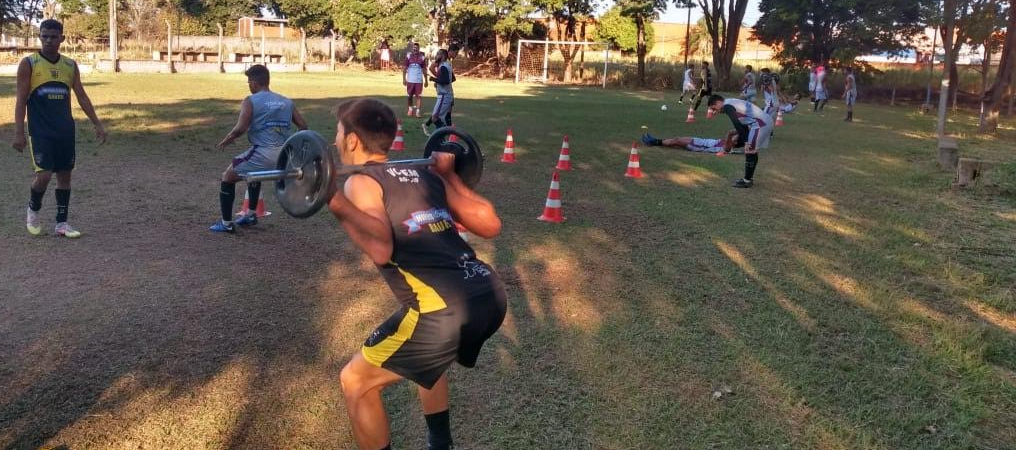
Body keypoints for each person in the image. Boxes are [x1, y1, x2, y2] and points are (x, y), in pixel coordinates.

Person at [329, 98, 506, 450]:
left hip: (441, 311)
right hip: (487, 292)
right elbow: (491, 223)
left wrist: (331, 199)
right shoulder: (423, 175)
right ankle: (441, 445)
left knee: (355, 381)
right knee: (426, 356)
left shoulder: (361, 183)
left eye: (337, 132)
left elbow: (380, 248)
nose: (334, 140)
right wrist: (449, 177)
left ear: (351, 140)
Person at [13, 19, 106, 238]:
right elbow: (20, 100)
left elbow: (81, 95)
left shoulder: (70, 65)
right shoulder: (29, 63)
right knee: (44, 175)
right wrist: (19, 132)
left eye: (53, 36)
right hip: (40, 130)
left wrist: (97, 123)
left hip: (65, 130)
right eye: (44, 36)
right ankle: (33, 210)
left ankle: (61, 224)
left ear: (62, 38)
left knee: (65, 176)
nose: (48, 40)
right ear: (39, 37)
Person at [211, 64, 307, 233]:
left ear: (254, 83)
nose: (249, 85)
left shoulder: (250, 100)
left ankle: (226, 224)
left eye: (249, 82)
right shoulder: (286, 101)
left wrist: (228, 139)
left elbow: (241, 128)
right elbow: (303, 126)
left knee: (227, 176)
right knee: (254, 175)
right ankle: (251, 215)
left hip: (263, 152)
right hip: (284, 157)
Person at [707, 94, 774, 188]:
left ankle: (747, 181)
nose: (715, 112)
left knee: (750, 150)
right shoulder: (730, 102)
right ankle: (748, 178)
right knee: (751, 150)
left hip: (760, 123)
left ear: (718, 102)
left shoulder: (726, 106)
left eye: (714, 108)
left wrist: (746, 141)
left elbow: (736, 123)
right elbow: (743, 124)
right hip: (763, 121)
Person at [421, 43, 459, 136]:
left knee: (436, 117)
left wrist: (435, 79)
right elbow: (450, 79)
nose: (436, 56)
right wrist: (439, 79)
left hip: (444, 95)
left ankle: (442, 133)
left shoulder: (444, 65)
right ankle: (443, 133)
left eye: (438, 54)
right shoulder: (445, 64)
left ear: (442, 56)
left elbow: (446, 80)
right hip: (445, 94)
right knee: (438, 117)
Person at [641, 129, 741, 154]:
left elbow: (731, 136)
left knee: (676, 141)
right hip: (699, 141)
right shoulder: (728, 142)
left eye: (735, 139)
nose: (733, 138)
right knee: (677, 139)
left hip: (698, 146)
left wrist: (731, 134)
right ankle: (655, 140)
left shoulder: (728, 148)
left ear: (735, 143)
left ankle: (653, 142)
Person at [402, 42, 428, 117]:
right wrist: (404, 79)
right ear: (412, 48)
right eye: (414, 48)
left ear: (419, 49)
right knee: (409, 96)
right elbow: (404, 69)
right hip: (410, 80)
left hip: (419, 81)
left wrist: (426, 80)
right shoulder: (408, 57)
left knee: (418, 96)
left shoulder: (422, 58)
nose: (415, 49)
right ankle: (410, 109)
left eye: (416, 48)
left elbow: (424, 70)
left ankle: (418, 112)